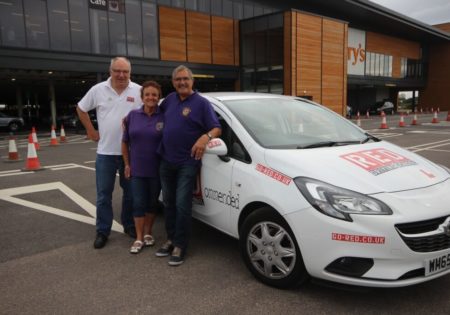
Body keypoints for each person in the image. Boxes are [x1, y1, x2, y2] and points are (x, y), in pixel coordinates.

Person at [156, 65, 221, 266]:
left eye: (185, 79)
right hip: (166, 160)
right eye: (178, 80)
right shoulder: (169, 100)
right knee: (168, 203)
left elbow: (216, 127)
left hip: (187, 162)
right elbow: (154, 116)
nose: (182, 83)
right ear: (173, 82)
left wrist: (205, 137)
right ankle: (170, 238)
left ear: (192, 81)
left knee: (182, 205)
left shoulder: (201, 103)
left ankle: (181, 245)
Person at [77, 56, 141, 249]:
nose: (121, 75)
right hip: (105, 152)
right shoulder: (98, 90)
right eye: (117, 71)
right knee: (104, 194)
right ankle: (102, 231)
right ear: (110, 71)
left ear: (130, 72)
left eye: (125, 71)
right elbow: (81, 108)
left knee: (130, 193)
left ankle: (129, 225)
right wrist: (90, 130)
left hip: (130, 153)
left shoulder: (138, 90)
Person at [121, 81, 164, 254]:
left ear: (158, 97)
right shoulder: (132, 116)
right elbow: (125, 142)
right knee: (138, 202)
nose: (151, 98)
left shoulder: (164, 116)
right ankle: (138, 237)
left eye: (154, 95)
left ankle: (148, 233)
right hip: (137, 169)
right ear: (142, 97)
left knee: (152, 203)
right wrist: (126, 164)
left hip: (157, 169)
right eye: (147, 94)